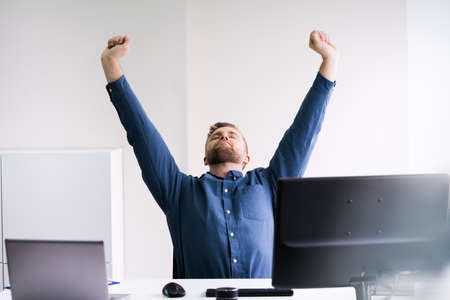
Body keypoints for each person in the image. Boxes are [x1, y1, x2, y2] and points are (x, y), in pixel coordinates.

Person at [101, 30, 339, 278]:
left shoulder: (270, 184)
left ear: (247, 158)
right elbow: (141, 135)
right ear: (205, 159)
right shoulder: (179, 191)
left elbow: (304, 132)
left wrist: (329, 61)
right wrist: (111, 65)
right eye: (216, 136)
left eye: (232, 135)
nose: (224, 136)